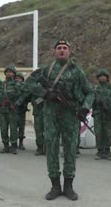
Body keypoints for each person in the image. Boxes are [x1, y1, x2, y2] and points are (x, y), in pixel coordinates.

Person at [18, 39, 93, 201]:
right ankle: (55, 186)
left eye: (65, 48)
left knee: (70, 150)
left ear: (69, 51)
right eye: (59, 48)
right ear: (54, 51)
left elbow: (90, 92)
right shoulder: (46, 69)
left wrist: (85, 108)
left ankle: (68, 186)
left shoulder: (77, 71)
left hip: (70, 116)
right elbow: (29, 83)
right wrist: (45, 93)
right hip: (50, 115)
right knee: (51, 149)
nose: (62, 50)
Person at [92, 69, 111, 160]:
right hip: (98, 113)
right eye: (100, 76)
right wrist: (95, 101)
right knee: (98, 132)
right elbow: (90, 99)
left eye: (104, 76)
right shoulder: (95, 88)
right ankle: (100, 150)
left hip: (107, 113)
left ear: (107, 77)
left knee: (107, 132)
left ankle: (107, 150)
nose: (102, 77)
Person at [0, 65, 21, 154]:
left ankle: (14, 146)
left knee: (13, 129)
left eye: (11, 72)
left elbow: (20, 96)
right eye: (7, 71)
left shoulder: (16, 84)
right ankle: (6, 146)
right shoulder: (2, 84)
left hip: (12, 110)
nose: (8, 73)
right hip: (3, 110)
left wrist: (15, 103)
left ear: (14, 74)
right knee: (3, 129)